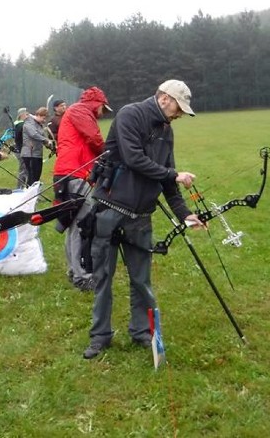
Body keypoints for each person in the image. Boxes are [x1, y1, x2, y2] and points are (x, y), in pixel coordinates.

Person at [81, 80, 205, 360]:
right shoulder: (130, 115)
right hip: (110, 210)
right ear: (164, 99)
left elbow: (166, 175)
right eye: (178, 108)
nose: (180, 114)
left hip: (141, 216)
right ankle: (100, 336)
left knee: (141, 280)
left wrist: (185, 215)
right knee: (103, 278)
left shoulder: (166, 131)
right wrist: (174, 175)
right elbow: (134, 159)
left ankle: (142, 332)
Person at [52, 87, 112, 291]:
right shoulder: (80, 111)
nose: (103, 113)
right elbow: (94, 138)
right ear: (97, 103)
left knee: (74, 225)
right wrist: (111, 153)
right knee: (81, 225)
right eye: (103, 108)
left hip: (73, 172)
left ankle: (74, 270)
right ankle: (81, 276)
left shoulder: (78, 112)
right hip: (73, 173)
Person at [20, 106, 53, 186]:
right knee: (32, 178)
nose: (44, 121)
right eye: (43, 118)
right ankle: (30, 196)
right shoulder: (29, 122)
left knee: (36, 177)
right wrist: (46, 140)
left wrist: (50, 145)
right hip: (30, 154)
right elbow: (34, 134)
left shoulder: (39, 124)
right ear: (38, 115)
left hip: (37, 154)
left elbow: (42, 136)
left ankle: (34, 195)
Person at [13, 107, 29, 187]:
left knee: (25, 170)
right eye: (26, 113)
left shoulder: (20, 124)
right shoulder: (21, 125)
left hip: (21, 150)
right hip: (21, 151)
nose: (27, 115)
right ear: (22, 115)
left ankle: (23, 187)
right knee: (24, 170)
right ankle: (19, 188)